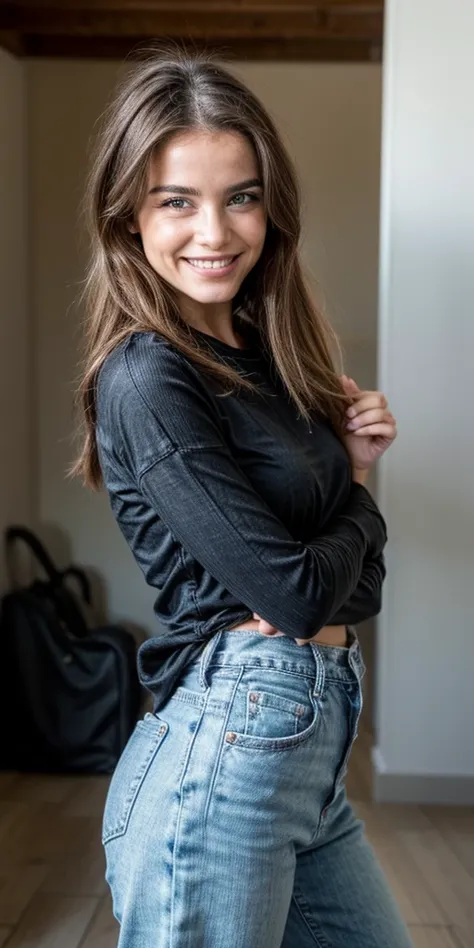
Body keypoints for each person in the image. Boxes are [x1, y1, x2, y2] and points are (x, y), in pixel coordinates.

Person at [74, 47, 412, 948]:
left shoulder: (269, 364)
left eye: (242, 195)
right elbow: (302, 595)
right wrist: (362, 498)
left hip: (303, 755)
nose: (214, 230)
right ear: (129, 217)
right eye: (176, 200)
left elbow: (362, 591)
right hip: (228, 749)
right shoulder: (148, 375)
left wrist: (347, 485)